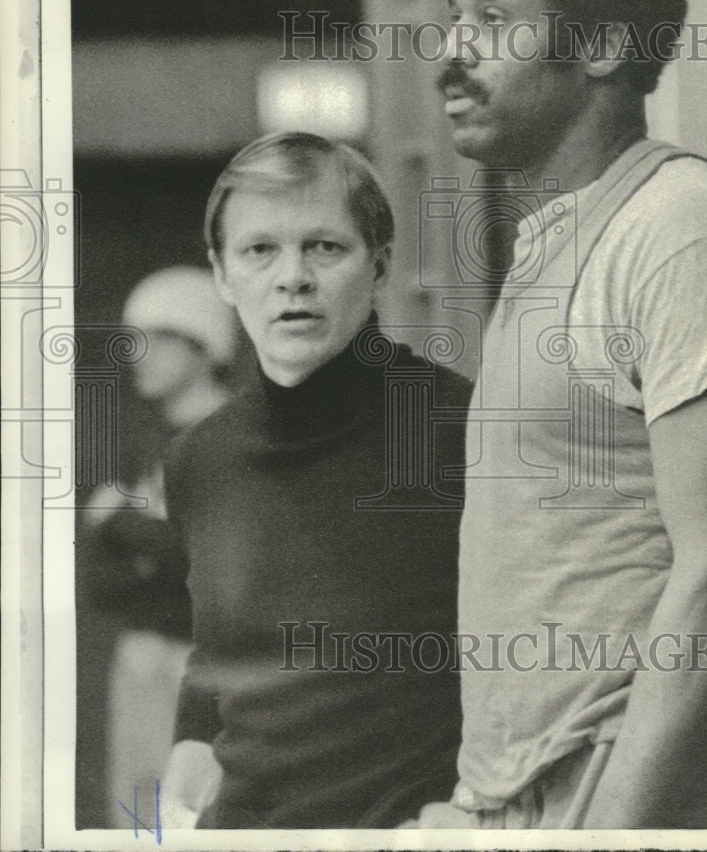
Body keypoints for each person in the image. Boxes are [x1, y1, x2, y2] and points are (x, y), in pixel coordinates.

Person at [418, 0, 707, 830]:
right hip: (551, 800)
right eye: (451, 18)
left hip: (660, 803)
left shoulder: (686, 231)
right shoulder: (557, 241)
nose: (448, 54)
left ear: (602, 47)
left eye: (490, 19)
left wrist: (607, 837)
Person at [161, 132, 471, 828]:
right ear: (221, 274)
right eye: (259, 250)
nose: (292, 276)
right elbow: (218, 652)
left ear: (381, 263)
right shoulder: (200, 460)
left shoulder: (465, 430)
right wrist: (189, 740)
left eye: (324, 247)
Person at [83, 266, 237, 826]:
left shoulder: (232, 435)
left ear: (200, 345)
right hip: (142, 657)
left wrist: (123, 521)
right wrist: (145, 536)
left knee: (198, 817)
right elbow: (100, 581)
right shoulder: (149, 443)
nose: (136, 354)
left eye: (155, 338)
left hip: (207, 667)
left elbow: (205, 563)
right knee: (136, 815)